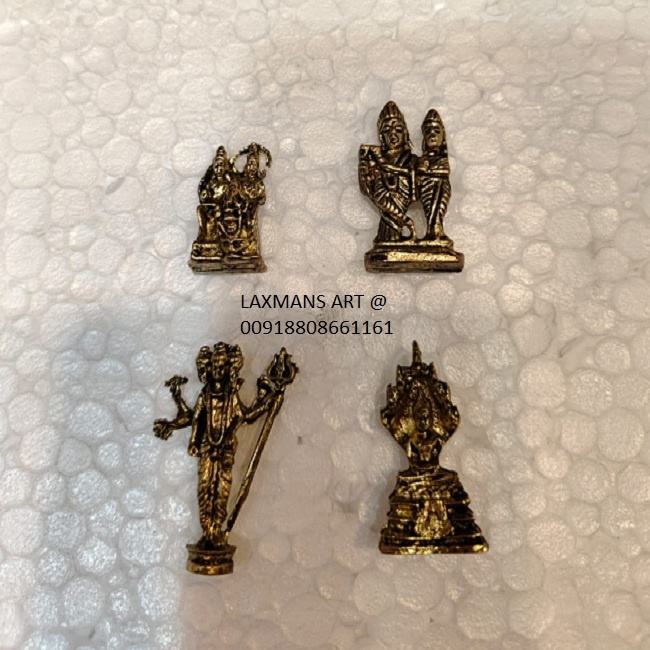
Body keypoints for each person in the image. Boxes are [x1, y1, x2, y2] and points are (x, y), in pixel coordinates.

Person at [359, 101, 417, 243]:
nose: (393, 134)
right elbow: (368, 189)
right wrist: (364, 171)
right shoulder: (374, 161)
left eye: (398, 129)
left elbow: (415, 181)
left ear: (405, 134)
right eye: (387, 130)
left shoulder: (412, 161)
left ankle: (401, 230)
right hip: (386, 210)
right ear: (381, 136)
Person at [416, 109, 453, 244]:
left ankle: (438, 234)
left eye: (436, 131)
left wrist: (426, 170)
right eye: (428, 131)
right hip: (427, 188)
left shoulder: (442, 159)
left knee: (438, 211)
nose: (432, 135)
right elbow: (419, 173)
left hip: (441, 187)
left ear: (442, 137)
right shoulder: (423, 159)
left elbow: (444, 171)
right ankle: (432, 234)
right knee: (430, 211)